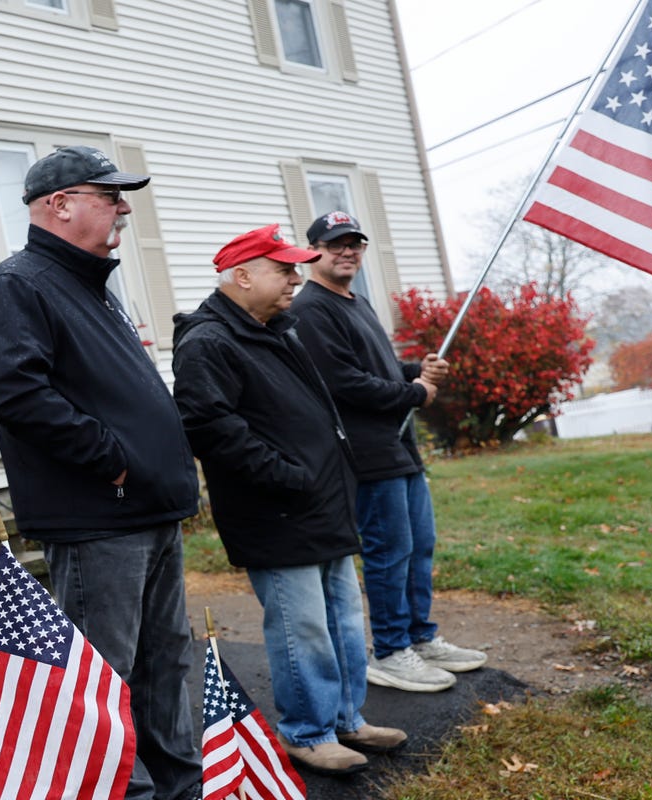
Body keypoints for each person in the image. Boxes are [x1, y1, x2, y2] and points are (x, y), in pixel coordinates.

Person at [0, 145, 202, 800]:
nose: (124, 207)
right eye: (110, 195)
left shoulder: (94, 288)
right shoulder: (16, 285)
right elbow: (20, 396)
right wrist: (115, 460)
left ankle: (182, 791)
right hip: (100, 521)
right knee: (104, 683)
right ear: (60, 204)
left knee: (164, 668)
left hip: (149, 514)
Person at [171, 223, 406, 777]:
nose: (296, 279)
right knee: (302, 629)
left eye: (297, 269)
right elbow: (207, 426)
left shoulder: (278, 328)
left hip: (321, 503)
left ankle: (346, 717)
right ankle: (307, 731)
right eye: (284, 270)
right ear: (243, 275)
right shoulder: (209, 341)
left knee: (345, 620)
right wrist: (285, 476)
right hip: (276, 510)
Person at [290, 211, 487, 693]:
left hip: (399, 446)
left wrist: (415, 368)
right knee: (389, 552)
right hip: (366, 453)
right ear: (313, 249)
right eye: (336, 244)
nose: (347, 252)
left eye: (355, 243)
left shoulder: (356, 301)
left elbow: (377, 365)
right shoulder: (312, 309)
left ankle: (420, 637)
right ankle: (392, 649)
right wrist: (415, 393)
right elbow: (343, 383)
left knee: (419, 546)